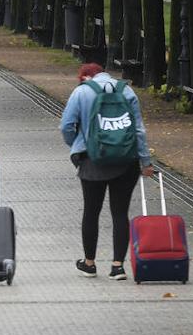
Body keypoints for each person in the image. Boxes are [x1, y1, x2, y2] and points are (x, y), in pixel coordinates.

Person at [61, 63, 154, 280]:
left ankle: (89, 263)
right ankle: (118, 266)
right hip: (126, 160)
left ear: (85, 76)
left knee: (91, 212)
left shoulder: (81, 92)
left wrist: (77, 145)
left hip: (92, 160)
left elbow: (66, 125)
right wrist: (145, 161)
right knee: (120, 213)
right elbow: (138, 129)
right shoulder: (126, 90)